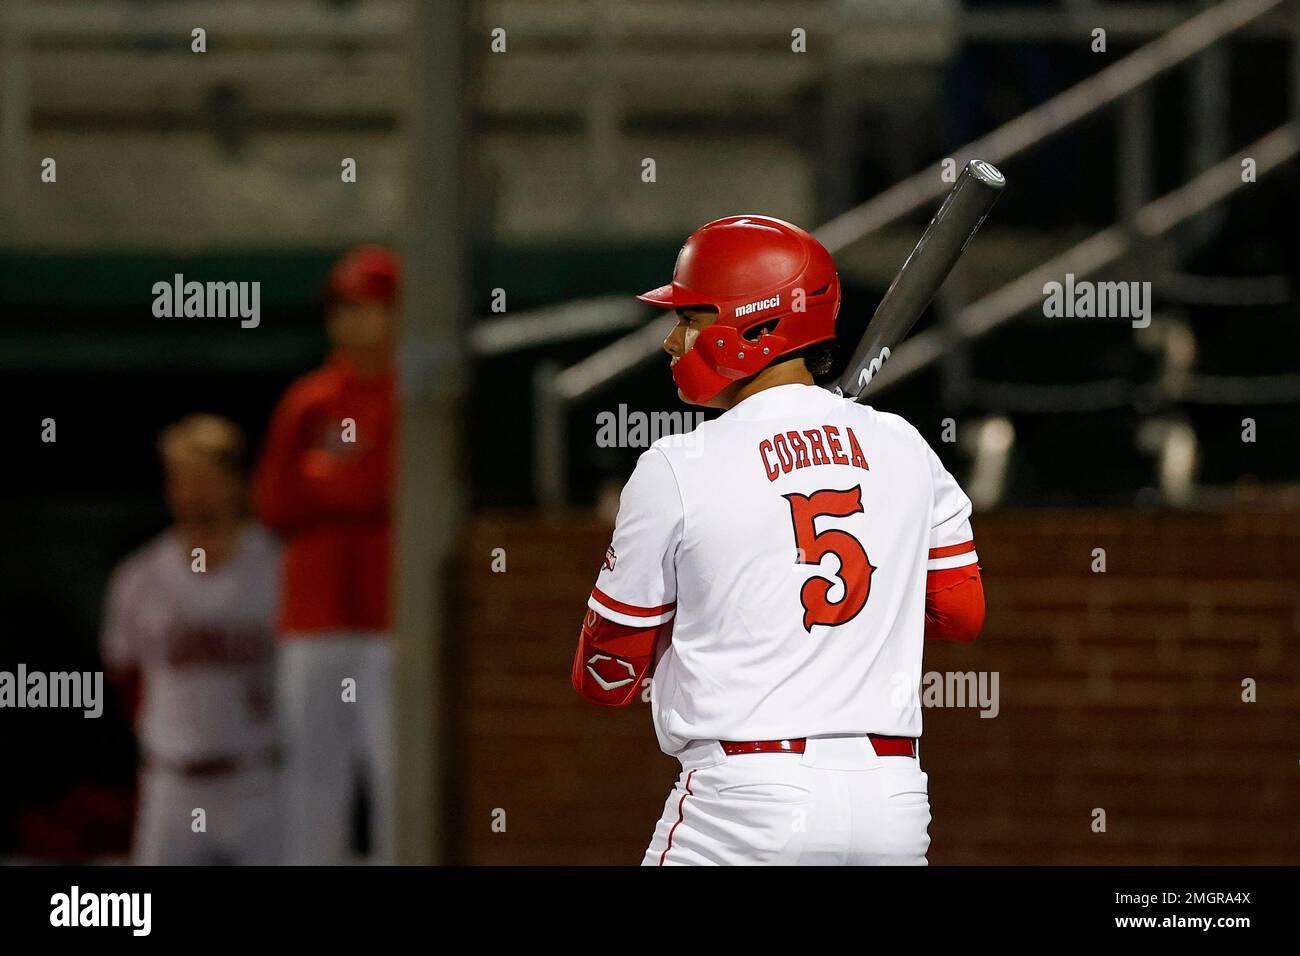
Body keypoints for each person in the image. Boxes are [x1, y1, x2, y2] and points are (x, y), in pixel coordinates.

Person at [571, 215, 985, 865]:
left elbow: (605, 677)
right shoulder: (905, 446)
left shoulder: (678, 464)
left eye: (692, 319)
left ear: (757, 324)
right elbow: (962, 615)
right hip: (892, 804)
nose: (672, 342)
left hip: (745, 805)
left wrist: (729, 618)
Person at [254, 245, 398, 865]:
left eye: (366, 308)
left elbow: (383, 487)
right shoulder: (308, 400)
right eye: (342, 309)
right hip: (312, 618)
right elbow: (273, 502)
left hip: (389, 620)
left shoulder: (411, 400)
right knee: (312, 778)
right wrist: (345, 484)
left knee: (396, 775)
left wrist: (327, 482)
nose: (350, 322)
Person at [101, 415, 282, 865]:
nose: (194, 493)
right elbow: (125, 678)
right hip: (173, 785)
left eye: (207, 479)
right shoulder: (139, 577)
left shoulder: (279, 568)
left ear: (238, 483)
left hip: (259, 779)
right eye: (183, 480)